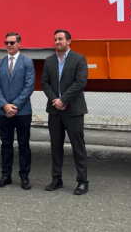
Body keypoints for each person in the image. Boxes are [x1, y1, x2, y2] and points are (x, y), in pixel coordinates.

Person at [41, 29, 89, 195]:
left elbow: (80, 82)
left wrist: (64, 100)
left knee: (78, 147)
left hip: (73, 110)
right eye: (55, 39)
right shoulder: (49, 60)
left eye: (60, 39)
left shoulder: (79, 59)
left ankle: (82, 181)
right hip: (55, 110)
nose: (57, 42)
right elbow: (45, 83)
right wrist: (56, 100)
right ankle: (56, 179)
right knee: (56, 146)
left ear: (69, 41)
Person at [0, 32, 35, 190]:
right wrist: (5, 105)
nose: (9, 45)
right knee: (6, 144)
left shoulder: (27, 62)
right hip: (4, 112)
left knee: (24, 144)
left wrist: (15, 105)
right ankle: (6, 176)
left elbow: (29, 86)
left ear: (19, 44)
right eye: (7, 43)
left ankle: (24, 177)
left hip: (22, 112)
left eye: (12, 42)